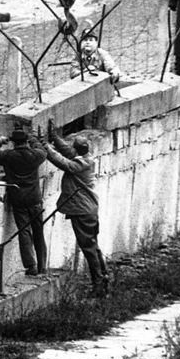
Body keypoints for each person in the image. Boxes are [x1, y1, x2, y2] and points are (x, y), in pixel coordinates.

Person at [45, 125, 109, 296]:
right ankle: (103, 276)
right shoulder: (86, 157)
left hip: (82, 210)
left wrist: (45, 147)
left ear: (78, 149)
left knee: (88, 247)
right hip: (88, 209)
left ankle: (98, 283)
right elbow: (68, 152)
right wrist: (54, 138)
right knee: (92, 245)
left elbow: (64, 162)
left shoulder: (82, 163)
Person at [0, 129, 48, 276]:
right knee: (39, 232)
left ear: (13, 142)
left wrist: (0, 139)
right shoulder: (35, 155)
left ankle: (31, 266)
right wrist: (33, 137)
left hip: (19, 199)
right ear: (26, 141)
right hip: (35, 198)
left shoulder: (8, 156)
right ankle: (42, 266)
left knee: (24, 231)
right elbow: (42, 149)